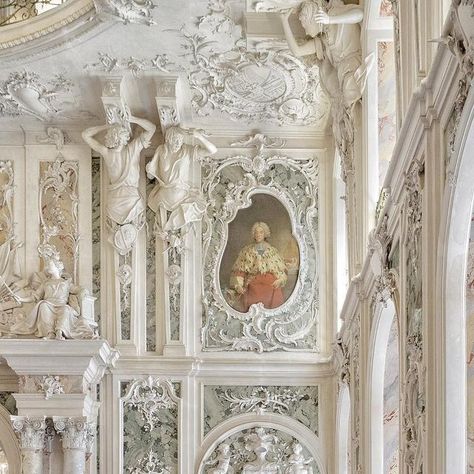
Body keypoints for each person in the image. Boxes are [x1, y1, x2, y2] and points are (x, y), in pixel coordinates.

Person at [280, 0, 372, 109]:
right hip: (345, 73)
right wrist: (284, 21)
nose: (306, 33)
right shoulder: (323, 40)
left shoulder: (334, 14)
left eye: (305, 26)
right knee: (351, 100)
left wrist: (330, 20)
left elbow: (360, 15)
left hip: (354, 65)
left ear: (312, 18)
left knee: (353, 95)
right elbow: (297, 51)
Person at [82, 110, 156, 234]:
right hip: (131, 196)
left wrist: (106, 126)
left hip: (115, 200)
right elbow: (152, 128)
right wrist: (132, 118)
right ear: (124, 137)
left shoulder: (107, 153)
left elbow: (85, 134)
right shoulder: (132, 148)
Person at [146, 125, 217, 234]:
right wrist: (149, 169)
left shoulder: (187, 151)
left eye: (180, 140)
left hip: (183, 199)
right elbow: (150, 176)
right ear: (168, 139)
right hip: (162, 198)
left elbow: (212, 150)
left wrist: (199, 137)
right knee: (163, 232)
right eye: (175, 140)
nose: (178, 143)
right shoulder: (161, 150)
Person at [8, 256, 95, 340]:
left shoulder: (66, 283)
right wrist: (21, 299)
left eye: (50, 265)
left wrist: (83, 292)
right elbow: (34, 297)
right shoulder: (46, 283)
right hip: (48, 304)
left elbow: (78, 289)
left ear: (57, 267)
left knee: (66, 309)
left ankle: (59, 332)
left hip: (62, 305)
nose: (48, 266)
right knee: (43, 305)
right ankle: (50, 333)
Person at [229, 222, 287, 312]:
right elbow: (240, 271)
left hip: (270, 286)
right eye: (256, 232)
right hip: (253, 286)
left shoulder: (272, 251)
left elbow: (280, 271)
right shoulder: (247, 251)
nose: (258, 235)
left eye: (261, 232)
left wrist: (279, 280)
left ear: (265, 234)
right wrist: (238, 286)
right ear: (253, 234)